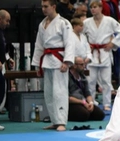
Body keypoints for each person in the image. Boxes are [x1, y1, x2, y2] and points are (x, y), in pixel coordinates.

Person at [32, 0, 76, 131]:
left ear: (53, 7)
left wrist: (67, 61)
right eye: (42, 7)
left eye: (46, 6)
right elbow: (39, 45)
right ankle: (54, 120)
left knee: (60, 92)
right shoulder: (42, 24)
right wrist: (36, 64)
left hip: (59, 60)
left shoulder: (64, 23)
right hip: (46, 60)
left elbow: (70, 42)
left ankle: (61, 121)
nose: (43, 9)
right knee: (49, 93)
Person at [83, 0, 120, 112]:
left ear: (101, 8)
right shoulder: (86, 22)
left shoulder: (109, 20)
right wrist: (86, 46)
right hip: (92, 54)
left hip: (105, 52)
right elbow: (81, 36)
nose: (93, 9)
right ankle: (91, 102)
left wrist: (113, 43)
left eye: (95, 7)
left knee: (106, 81)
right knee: (90, 81)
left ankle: (107, 103)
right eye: (91, 7)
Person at [68, 57, 105, 122]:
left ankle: (84, 111)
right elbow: (67, 98)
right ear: (74, 65)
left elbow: (87, 93)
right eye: (81, 65)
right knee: (84, 115)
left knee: (100, 115)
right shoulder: (67, 77)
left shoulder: (82, 76)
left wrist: (91, 103)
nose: (84, 66)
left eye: (84, 64)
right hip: (72, 103)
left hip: (83, 102)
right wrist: (83, 102)